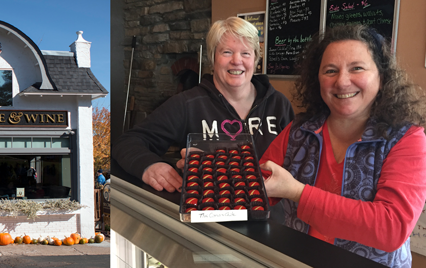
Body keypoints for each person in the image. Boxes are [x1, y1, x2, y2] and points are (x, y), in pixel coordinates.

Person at [258, 24, 426, 268]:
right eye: (330, 70)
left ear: (382, 77)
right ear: (317, 79)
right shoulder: (299, 130)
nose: (342, 82)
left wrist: (298, 192)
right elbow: (256, 184)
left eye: (357, 68)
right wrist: (205, 168)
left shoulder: (407, 139)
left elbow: (391, 228)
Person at [113, 17, 294, 192]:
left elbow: (298, 160)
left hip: (271, 215)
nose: (237, 60)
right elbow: (127, 142)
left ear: (255, 60)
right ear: (212, 59)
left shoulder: (278, 103)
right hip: (210, 212)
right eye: (227, 52)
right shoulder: (187, 104)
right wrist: (149, 165)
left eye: (246, 53)